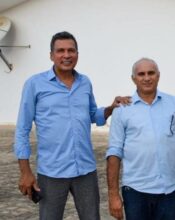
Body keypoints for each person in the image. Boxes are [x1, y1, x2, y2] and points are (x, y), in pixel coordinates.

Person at [14, 31, 130, 220]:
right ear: (51, 55)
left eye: (71, 50)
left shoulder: (85, 82)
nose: (66, 55)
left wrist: (111, 108)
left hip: (85, 169)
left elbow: (92, 115)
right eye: (60, 51)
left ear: (77, 54)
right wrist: (25, 172)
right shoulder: (34, 84)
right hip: (52, 172)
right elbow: (22, 130)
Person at [106, 57, 175, 220]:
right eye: (141, 74)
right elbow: (114, 152)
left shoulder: (174, 104)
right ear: (133, 78)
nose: (146, 78)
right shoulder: (122, 109)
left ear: (158, 75)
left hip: (168, 189)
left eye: (151, 73)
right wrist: (113, 194)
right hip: (135, 190)